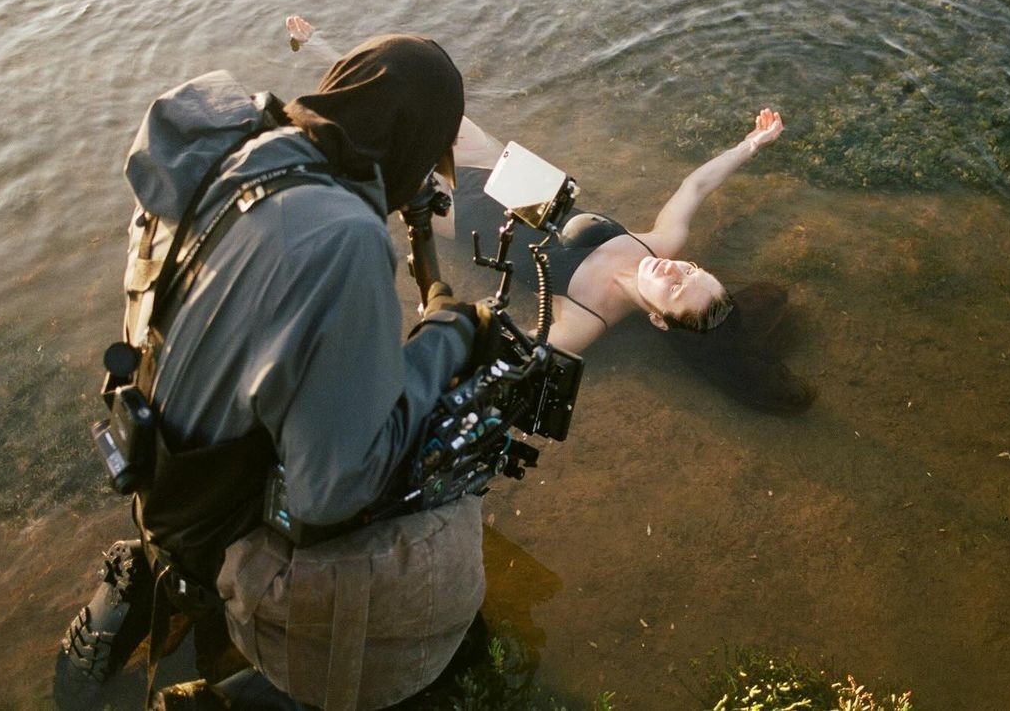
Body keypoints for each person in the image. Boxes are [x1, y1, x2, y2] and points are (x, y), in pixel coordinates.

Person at [56, 35, 494, 710]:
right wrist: (447, 332)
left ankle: (145, 576)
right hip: (216, 532)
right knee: (441, 508)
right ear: (411, 144)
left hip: (154, 467)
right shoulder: (343, 240)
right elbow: (332, 491)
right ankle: (239, 685)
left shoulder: (239, 153)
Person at [447, 113, 816, 413]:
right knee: (422, 89)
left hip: (457, 214)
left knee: (391, 155)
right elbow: (696, 187)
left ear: (658, 319)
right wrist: (750, 144)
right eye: (691, 270)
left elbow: (507, 355)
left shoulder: (585, 320)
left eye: (675, 288)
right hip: (503, 171)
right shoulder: (660, 244)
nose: (673, 268)